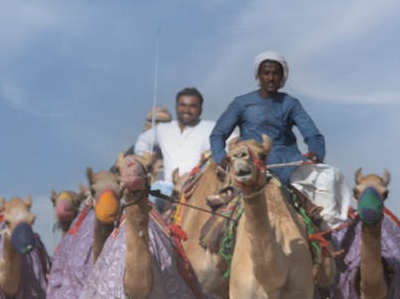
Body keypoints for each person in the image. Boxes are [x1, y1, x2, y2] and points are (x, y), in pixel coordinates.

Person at [210, 51, 325, 186]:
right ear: (258, 76)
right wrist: (221, 157)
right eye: (266, 73)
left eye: (275, 73)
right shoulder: (241, 103)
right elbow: (218, 135)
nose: (271, 78)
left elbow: (312, 134)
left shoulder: (290, 103)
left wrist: (316, 153)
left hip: (288, 166)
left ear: (282, 76)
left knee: (326, 183)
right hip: (251, 166)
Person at [133, 87, 214, 200]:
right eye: (183, 105)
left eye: (192, 106)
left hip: (197, 187)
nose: (187, 110)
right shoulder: (163, 129)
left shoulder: (211, 128)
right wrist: (146, 157)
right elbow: (143, 140)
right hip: (167, 189)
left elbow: (233, 143)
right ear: (176, 107)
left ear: (200, 109)